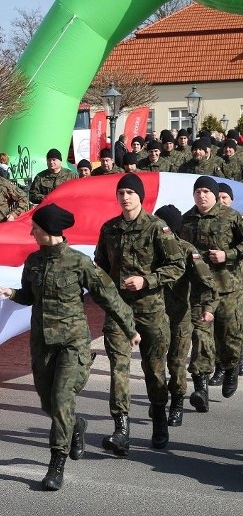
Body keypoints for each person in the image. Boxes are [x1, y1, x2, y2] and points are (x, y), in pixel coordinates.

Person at [0, 204, 138, 490]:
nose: (31, 231)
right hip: (42, 344)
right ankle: (76, 426)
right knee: (49, 404)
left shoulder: (79, 263)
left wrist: (129, 328)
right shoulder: (33, 261)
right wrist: (12, 293)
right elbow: (28, 295)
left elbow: (107, 294)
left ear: (48, 231)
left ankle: (55, 464)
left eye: (35, 227)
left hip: (72, 344)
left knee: (61, 400)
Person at [94, 174, 184, 456]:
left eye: (131, 192)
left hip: (151, 311)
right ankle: (121, 429)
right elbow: (101, 265)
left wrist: (147, 280)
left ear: (140, 197)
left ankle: (159, 420)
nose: (125, 197)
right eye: (121, 192)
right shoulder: (109, 228)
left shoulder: (158, 228)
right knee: (118, 367)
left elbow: (177, 264)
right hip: (119, 311)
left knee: (154, 369)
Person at [179, 176, 243, 408]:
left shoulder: (232, 217)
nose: (202, 195)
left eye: (207, 191)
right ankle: (200, 388)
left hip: (228, 288)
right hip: (199, 292)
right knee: (200, 337)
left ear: (215, 194)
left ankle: (231, 367)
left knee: (229, 336)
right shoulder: (186, 220)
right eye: (198, 192)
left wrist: (229, 255)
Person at [152, 204, 217, 427]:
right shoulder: (149, 250)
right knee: (154, 363)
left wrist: (208, 308)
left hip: (180, 317)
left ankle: (177, 403)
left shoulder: (187, 250)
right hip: (154, 317)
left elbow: (207, 282)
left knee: (176, 363)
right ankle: (159, 400)